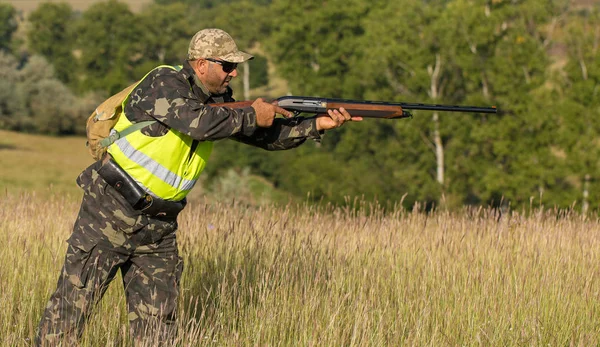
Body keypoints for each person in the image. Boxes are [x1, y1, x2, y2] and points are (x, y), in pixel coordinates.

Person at [36, 28, 361, 345]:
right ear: (201, 63)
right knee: (70, 312)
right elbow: (198, 124)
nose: (233, 73)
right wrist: (252, 114)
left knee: (158, 330)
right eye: (227, 65)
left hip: (159, 226)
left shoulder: (221, 103)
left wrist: (317, 124)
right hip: (110, 211)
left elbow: (265, 136)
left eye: (236, 66)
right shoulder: (164, 83)